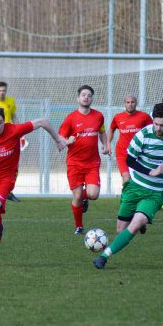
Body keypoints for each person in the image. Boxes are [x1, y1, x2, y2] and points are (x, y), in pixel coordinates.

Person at [0, 105, 67, 267]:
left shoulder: (14, 130)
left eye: (0, 122)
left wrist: (58, 139)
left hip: (5, 180)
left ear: (5, 121)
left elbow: (43, 122)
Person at [93, 103, 163, 269]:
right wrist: (151, 172)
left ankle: (103, 257)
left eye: (162, 125)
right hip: (134, 187)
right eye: (155, 123)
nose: (157, 128)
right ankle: (141, 221)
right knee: (120, 230)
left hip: (154, 193)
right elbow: (129, 160)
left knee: (134, 226)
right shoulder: (143, 135)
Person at [59, 85, 107, 235]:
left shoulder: (98, 116)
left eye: (89, 95)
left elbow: (102, 131)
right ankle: (79, 226)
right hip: (74, 163)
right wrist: (68, 141)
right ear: (78, 98)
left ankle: (82, 199)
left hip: (92, 163)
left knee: (93, 194)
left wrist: (105, 144)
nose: (86, 97)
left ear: (92, 98)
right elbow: (60, 139)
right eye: (83, 95)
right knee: (78, 196)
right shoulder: (70, 118)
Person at [106, 94, 153, 184]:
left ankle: (136, 197)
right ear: (124, 104)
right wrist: (108, 143)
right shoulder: (117, 117)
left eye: (132, 102)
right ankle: (126, 198)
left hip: (139, 153)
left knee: (138, 180)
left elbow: (151, 131)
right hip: (122, 152)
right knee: (126, 177)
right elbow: (111, 130)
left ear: (136, 103)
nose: (130, 104)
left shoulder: (144, 116)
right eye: (128, 102)